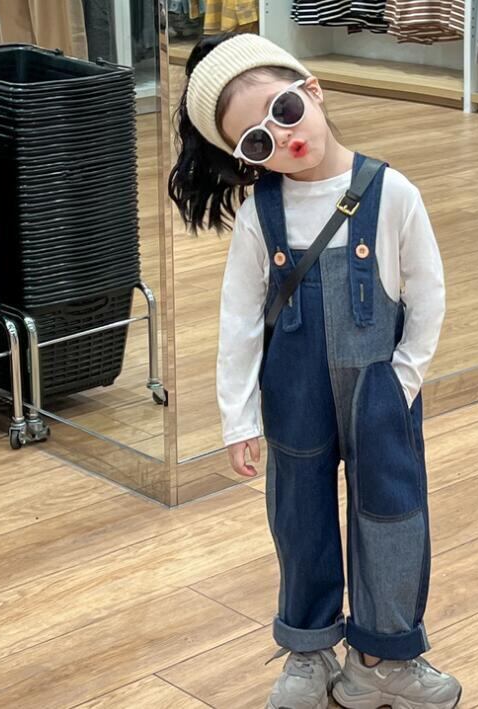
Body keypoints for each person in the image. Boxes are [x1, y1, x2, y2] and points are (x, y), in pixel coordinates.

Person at [169, 31, 462, 709]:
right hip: (293, 393)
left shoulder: (392, 192)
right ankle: (308, 649)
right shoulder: (260, 216)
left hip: (380, 389)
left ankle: (381, 658)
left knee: (392, 514)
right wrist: (239, 417)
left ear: (313, 90)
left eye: (285, 111)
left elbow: (429, 293)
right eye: (257, 142)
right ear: (244, 158)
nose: (282, 137)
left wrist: (404, 378)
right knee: (298, 517)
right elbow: (240, 321)